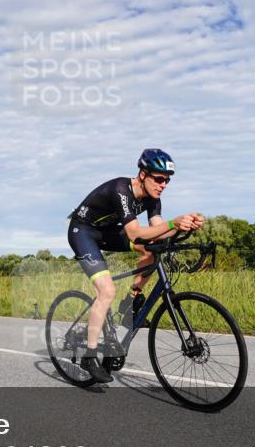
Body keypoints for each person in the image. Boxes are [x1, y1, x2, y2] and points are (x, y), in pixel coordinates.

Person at [67, 149, 203, 383]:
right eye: (158, 179)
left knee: (150, 250)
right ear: (142, 175)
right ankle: (90, 355)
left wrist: (184, 226)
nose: (163, 185)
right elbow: (134, 233)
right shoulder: (121, 190)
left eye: (167, 180)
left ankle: (130, 300)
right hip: (83, 232)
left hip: (108, 232)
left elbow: (157, 232)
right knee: (106, 291)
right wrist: (174, 223)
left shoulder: (153, 198)